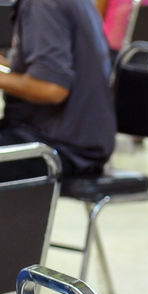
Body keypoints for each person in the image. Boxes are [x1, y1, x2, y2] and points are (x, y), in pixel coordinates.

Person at [0, 0, 116, 182]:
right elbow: (47, 69)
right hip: (76, 138)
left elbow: (52, 88)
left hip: (59, 147)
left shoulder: (43, 4)